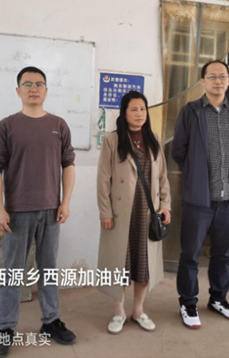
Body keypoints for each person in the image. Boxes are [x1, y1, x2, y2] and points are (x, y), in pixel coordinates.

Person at [0, 66, 76, 358]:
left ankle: (51, 321)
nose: (34, 88)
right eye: (27, 84)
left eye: (39, 84)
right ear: (18, 91)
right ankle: (5, 328)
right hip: (17, 211)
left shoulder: (59, 125)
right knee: (13, 272)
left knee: (48, 268)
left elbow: (68, 165)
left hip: (51, 210)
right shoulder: (6, 126)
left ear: (46, 90)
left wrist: (65, 202)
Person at [172, 60, 229, 328]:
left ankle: (218, 299)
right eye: (212, 76)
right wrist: (196, 173)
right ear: (202, 81)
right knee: (190, 254)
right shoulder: (190, 112)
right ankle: (188, 302)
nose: (218, 81)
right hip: (199, 199)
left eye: (222, 76)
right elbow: (178, 151)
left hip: (228, 199)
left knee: (223, 253)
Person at [97, 91, 171, 335]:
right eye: (134, 109)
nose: (140, 114)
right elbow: (103, 179)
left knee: (143, 264)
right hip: (121, 213)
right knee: (119, 264)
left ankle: (138, 310)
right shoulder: (113, 140)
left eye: (143, 109)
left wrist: (166, 205)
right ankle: (118, 311)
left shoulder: (153, 139)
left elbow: (162, 177)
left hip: (148, 213)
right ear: (124, 112)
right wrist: (105, 212)